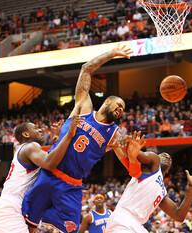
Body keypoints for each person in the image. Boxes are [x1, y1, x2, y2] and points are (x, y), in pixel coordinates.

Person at [22, 45, 145, 233]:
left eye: (123, 109)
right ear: (106, 102)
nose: (120, 110)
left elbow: (133, 171)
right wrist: (111, 54)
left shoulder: (115, 135)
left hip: (71, 186)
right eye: (118, 105)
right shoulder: (84, 107)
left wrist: (135, 157)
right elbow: (86, 68)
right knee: (27, 227)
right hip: (49, 174)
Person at [0, 117, 83, 233]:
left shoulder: (29, 151)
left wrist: (56, 142)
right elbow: (50, 163)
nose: (40, 130)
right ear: (26, 134)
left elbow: (51, 162)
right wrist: (68, 135)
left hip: (12, 208)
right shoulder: (30, 146)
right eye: (35, 128)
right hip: (10, 208)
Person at [106, 133, 192, 233]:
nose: (167, 156)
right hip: (123, 218)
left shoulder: (161, 191)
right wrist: (124, 140)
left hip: (136, 225)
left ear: (168, 171)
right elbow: (136, 152)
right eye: (163, 155)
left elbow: (179, 216)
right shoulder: (154, 162)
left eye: (169, 158)